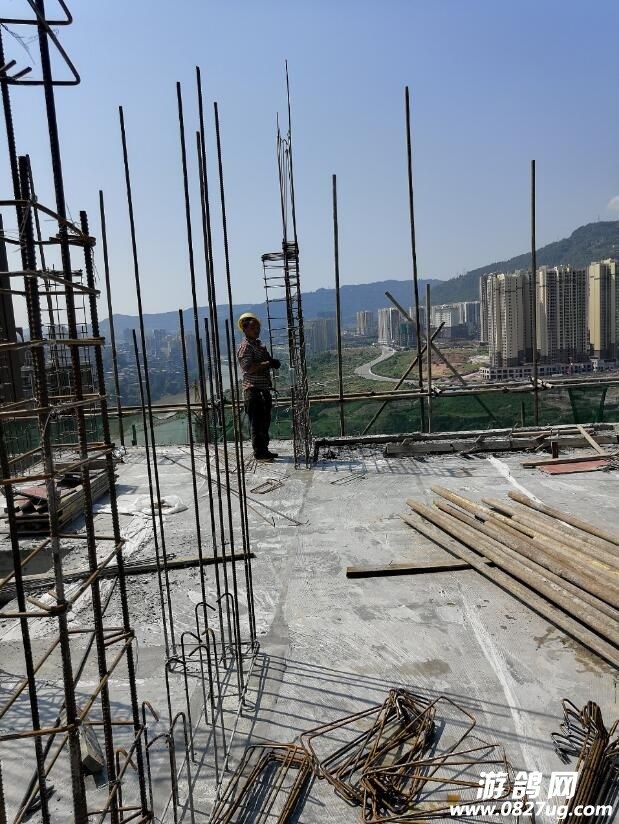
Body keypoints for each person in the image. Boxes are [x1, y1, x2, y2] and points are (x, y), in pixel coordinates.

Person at [236, 313, 281, 462]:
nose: (256, 330)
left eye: (258, 327)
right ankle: (259, 453)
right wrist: (268, 364)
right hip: (253, 390)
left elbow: (266, 360)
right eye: (253, 327)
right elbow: (248, 368)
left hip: (263, 389)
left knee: (265, 422)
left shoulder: (259, 345)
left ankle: (264, 450)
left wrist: (271, 362)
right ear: (245, 329)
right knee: (257, 423)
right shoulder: (245, 347)